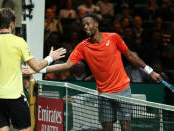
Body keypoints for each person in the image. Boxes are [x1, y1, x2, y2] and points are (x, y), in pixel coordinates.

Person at [22, 12, 162, 131]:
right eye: (84, 25)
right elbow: (67, 65)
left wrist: (150, 72)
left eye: (88, 24)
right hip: (104, 93)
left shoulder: (113, 38)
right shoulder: (83, 47)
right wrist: (39, 69)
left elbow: (131, 56)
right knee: (107, 127)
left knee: (125, 127)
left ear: (96, 24)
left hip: (122, 90)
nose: (86, 27)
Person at [0, 8, 66, 131]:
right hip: (13, 96)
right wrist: (50, 58)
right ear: (12, 24)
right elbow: (36, 67)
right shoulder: (19, 42)